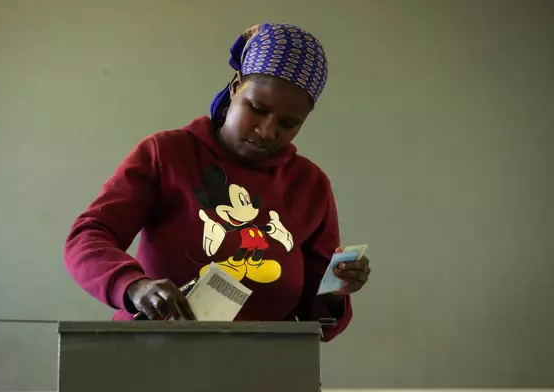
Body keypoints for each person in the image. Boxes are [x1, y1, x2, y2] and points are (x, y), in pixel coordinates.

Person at [64, 22, 371, 342]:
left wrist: (337, 292)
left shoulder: (310, 187)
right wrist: (132, 286)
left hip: (258, 369)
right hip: (152, 357)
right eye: (257, 108)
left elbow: (317, 322)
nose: (267, 131)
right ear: (237, 85)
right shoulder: (165, 155)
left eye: (288, 123)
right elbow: (87, 237)